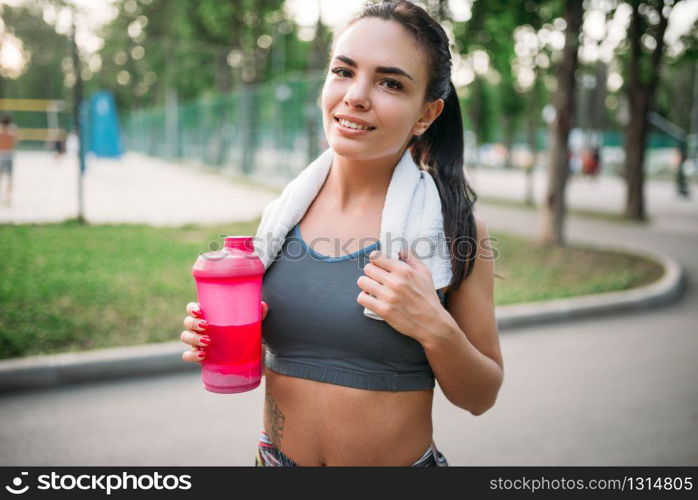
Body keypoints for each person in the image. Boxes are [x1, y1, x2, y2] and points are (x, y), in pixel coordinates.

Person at [180, 0, 503, 466]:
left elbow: (481, 395)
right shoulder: (280, 218)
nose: (356, 95)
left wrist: (433, 327)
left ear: (426, 114)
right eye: (343, 71)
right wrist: (220, 335)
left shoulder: (455, 229)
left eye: (390, 82)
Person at [0, 114, 19, 205]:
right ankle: (8, 198)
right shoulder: (12, 131)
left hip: (1, 154)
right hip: (9, 155)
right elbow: (16, 141)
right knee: (9, 178)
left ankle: (4, 197)